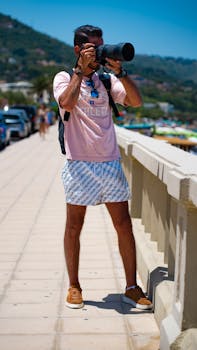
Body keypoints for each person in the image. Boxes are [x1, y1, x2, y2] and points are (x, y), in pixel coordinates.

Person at [53, 25, 152, 310]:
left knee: (123, 225)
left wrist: (120, 72)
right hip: (79, 164)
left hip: (109, 163)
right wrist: (79, 72)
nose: (98, 50)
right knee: (74, 226)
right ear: (78, 50)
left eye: (101, 45)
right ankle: (74, 285)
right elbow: (66, 103)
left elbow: (136, 101)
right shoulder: (62, 77)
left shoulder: (107, 81)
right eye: (92, 47)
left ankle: (131, 287)